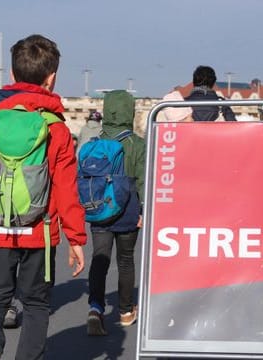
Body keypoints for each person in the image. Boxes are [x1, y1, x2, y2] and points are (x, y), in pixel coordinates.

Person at [0, 34, 86, 360]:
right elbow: (66, 188)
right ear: (52, 78)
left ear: (12, 76)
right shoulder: (56, 128)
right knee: (37, 304)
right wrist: (76, 237)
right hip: (39, 232)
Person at [86, 89, 145, 336]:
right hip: (128, 207)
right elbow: (142, 180)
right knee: (125, 260)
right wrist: (142, 210)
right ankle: (125, 311)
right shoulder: (137, 144)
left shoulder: (94, 143)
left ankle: (95, 308)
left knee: (100, 260)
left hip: (99, 207)